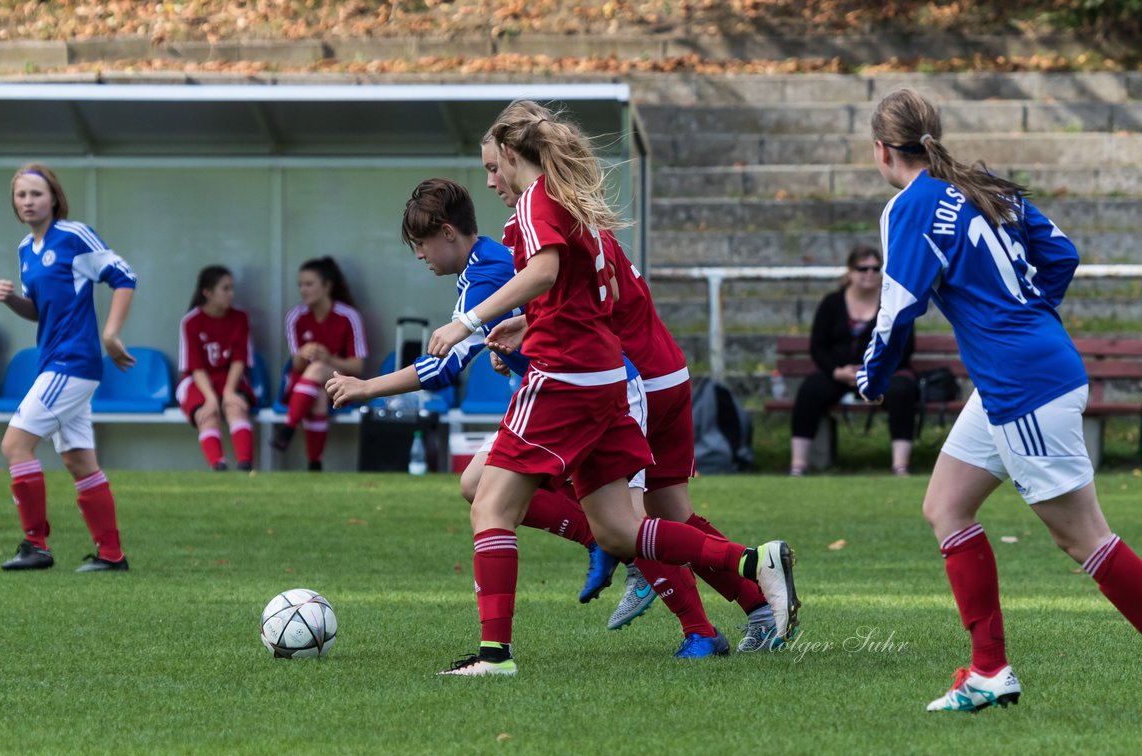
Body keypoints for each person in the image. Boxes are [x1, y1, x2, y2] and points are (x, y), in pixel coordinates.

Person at [424, 100, 799, 675]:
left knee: (490, 502)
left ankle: (493, 656)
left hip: (567, 376)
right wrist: (533, 320)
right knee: (621, 529)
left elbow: (545, 271)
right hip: (609, 375)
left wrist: (466, 322)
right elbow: (593, 293)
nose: (491, 180)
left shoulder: (536, 202)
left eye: (492, 167)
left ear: (508, 151)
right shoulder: (574, 204)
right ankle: (754, 563)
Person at [858, 88, 1142, 712]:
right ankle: (990, 672)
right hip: (1023, 374)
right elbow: (1062, 253)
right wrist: (1026, 315)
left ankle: (991, 669)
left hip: (1024, 386)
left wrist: (871, 376)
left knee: (1086, 539)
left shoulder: (908, 206)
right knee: (946, 506)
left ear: (881, 150)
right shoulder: (984, 183)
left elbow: (900, 305)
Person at [326, 177, 657, 632]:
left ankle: (735, 589)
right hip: (564, 393)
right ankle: (604, 548)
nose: (418, 255)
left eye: (422, 244)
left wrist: (366, 388)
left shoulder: (485, 275)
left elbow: (442, 368)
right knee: (479, 485)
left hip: (601, 391)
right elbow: (534, 323)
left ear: (447, 233)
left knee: (636, 528)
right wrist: (516, 356)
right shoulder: (486, 260)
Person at [0, 162, 136, 573]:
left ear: (54, 197)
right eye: (21, 195)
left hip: (72, 362)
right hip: (53, 361)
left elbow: (125, 277)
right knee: (78, 461)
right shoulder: (25, 249)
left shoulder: (73, 236)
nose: (28, 201)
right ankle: (111, 555)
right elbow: (40, 310)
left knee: (14, 445)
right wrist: (11, 301)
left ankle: (35, 545)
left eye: (36, 194)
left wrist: (111, 335)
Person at [789, 245, 919, 476]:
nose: (869, 273)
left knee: (902, 391)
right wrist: (837, 371)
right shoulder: (832, 303)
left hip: (881, 374)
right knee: (811, 390)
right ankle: (798, 464)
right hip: (840, 374)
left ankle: (900, 465)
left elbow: (905, 347)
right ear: (850, 271)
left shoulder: (892, 304)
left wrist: (873, 371)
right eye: (862, 268)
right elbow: (817, 347)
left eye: (875, 268)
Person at [273, 257, 367, 471]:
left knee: (317, 371)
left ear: (327, 286)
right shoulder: (295, 316)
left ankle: (288, 428)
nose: (303, 290)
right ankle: (314, 463)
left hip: (343, 385)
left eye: (309, 284)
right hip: (304, 386)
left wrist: (328, 359)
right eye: (300, 285)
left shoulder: (348, 316)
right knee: (318, 392)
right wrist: (302, 355)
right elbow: (296, 366)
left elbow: (357, 367)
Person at [177, 264, 257, 472]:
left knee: (235, 407)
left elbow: (240, 359)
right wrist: (211, 399)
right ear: (207, 293)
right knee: (207, 414)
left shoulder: (240, 318)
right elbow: (195, 367)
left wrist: (230, 392)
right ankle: (218, 466)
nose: (232, 294)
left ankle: (245, 465)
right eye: (226, 288)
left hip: (230, 377)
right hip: (198, 381)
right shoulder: (191, 321)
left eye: (232, 288)